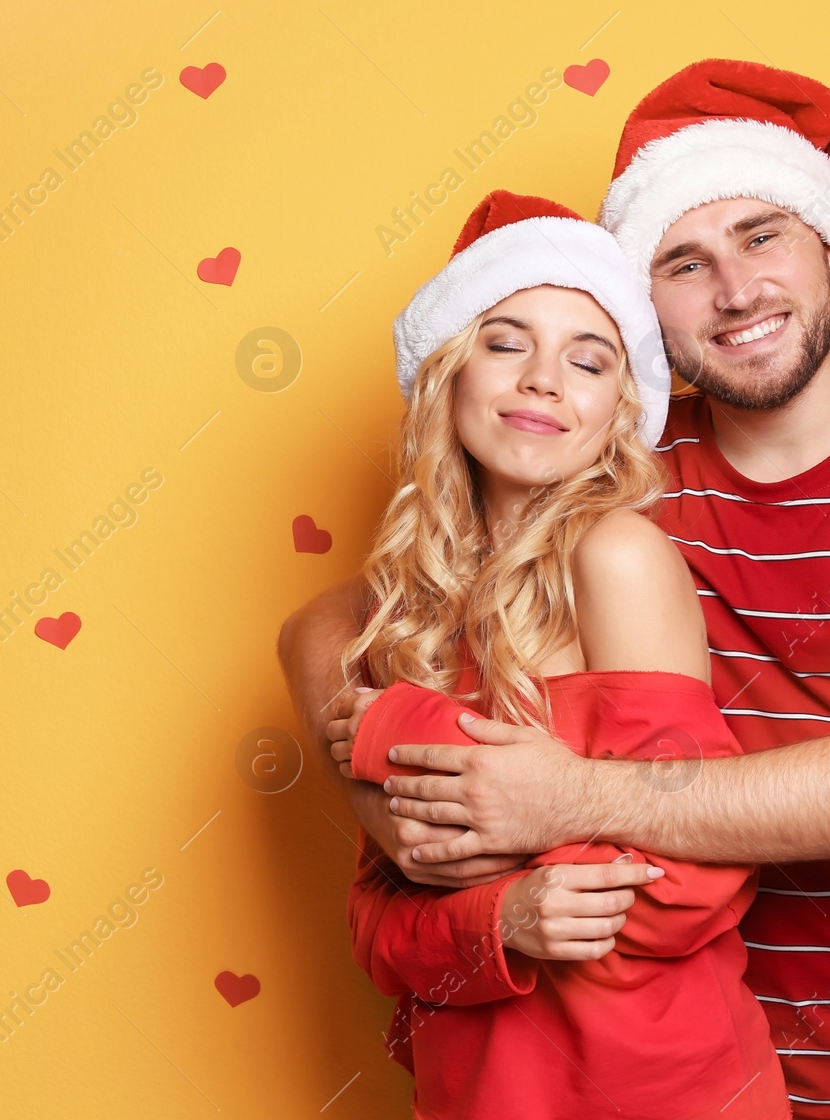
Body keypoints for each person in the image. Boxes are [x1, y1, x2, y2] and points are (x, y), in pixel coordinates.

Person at [282, 61, 830, 1120]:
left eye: (761, 236)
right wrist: (406, 816)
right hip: (643, 1040)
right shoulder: (609, 461)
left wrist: (555, 799)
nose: (735, 291)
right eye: (683, 262)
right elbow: (341, 618)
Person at [329, 188, 791, 1119]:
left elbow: (689, 878)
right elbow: (379, 935)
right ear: (448, 374)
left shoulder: (614, 557)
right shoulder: (410, 610)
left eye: (589, 361)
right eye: (506, 343)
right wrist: (501, 920)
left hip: (660, 1092)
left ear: (618, 410)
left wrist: (404, 728)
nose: (544, 380)